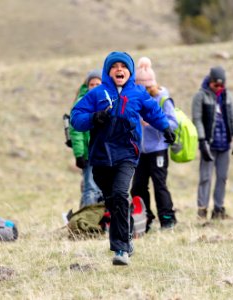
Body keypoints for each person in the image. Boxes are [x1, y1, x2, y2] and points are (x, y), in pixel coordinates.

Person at [71, 51, 175, 266]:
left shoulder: (137, 92)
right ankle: (126, 236)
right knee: (113, 201)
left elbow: (153, 111)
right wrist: (93, 118)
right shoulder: (96, 94)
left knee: (120, 194)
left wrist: (165, 127)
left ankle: (120, 249)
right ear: (108, 71)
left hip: (127, 154)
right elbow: (76, 118)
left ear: (130, 71)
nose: (119, 69)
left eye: (123, 66)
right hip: (100, 157)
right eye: (114, 66)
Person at [130, 57, 178, 230]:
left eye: (144, 87)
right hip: (139, 151)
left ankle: (167, 219)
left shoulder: (162, 98)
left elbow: (173, 123)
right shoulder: (133, 99)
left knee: (159, 185)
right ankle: (145, 219)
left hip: (158, 150)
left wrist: (152, 123)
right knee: (138, 187)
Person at [192, 66, 233, 221]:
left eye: (221, 85)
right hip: (209, 144)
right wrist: (202, 140)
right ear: (210, 82)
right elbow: (197, 119)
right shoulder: (200, 96)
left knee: (222, 177)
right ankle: (202, 210)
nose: (219, 88)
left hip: (224, 145)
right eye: (216, 85)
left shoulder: (228, 96)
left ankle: (219, 210)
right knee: (205, 177)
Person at [69, 70, 104, 208]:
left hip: (104, 154)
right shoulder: (82, 102)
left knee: (102, 188)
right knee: (90, 188)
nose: (94, 87)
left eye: (98, 84)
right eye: (92, 84)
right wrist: (79, 155)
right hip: (88, 154)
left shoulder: (107, 99)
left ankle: (101, 221)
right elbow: (76, 132)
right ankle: (88, 222)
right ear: (87, 85)